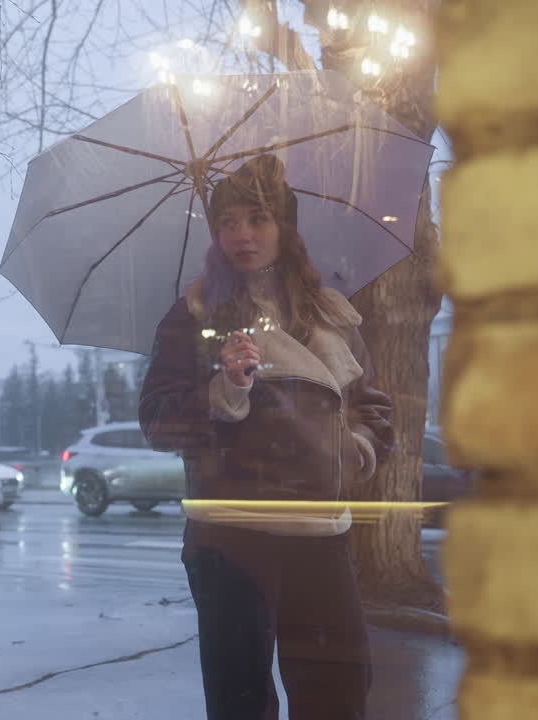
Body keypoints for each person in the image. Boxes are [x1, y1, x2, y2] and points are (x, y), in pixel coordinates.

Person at [139, 154, 394, 720]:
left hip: (322, 532)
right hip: (231, 536)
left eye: (257, 219)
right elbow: (158, 420)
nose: (242, 236)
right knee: (242, 702)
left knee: (339, 693)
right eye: (227, 222)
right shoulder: (193, 315)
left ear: (285, 226)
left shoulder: (332, 315)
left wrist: (358, 449)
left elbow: (373, 406)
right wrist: (222, 387)